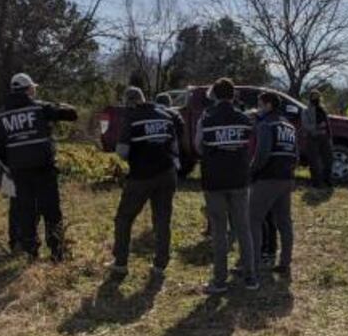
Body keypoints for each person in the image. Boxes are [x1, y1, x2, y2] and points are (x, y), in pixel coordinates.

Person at [0, 73, 78, 262]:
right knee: (51, 210)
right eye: (33, 88)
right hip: (44, 168)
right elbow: (72, 114)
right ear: (28, 89)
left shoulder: (1, 115)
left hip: (19, 171)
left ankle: (31, 252)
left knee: (26, 210)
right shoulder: (39, 107)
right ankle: (57, 252)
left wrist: (12, 164)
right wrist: (57, 106)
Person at [108, 87, 180, 277]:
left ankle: (121, 263)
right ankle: (160, 266)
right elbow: (174, 146)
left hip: (141, 177)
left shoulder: (131, 118)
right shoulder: (165, 115)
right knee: (162, 220)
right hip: (166, 173)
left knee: (124, 218)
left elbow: (122, 151)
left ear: (129, 102)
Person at [197, 77, 258, 294]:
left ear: (214, 94)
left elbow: (199, 147)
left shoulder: (206, 118)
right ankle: (250, 278)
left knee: (220, 231)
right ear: (233, 95)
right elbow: (251, 147)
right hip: (240, 180)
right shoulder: (244, 118)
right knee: (243, 228)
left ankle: (219, 281)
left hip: (214, 181)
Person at [249, 91, 297, 279]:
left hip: (268, 178)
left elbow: (262, 154)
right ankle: (285, 262)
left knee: (253, 219)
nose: (258, 108)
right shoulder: (289, 126)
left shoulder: (266, 124)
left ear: (268, 105)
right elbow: (296, 154)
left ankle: (252, 264)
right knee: (284, 221)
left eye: (260, 104)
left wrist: (251, 172)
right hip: (286, 177)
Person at [301, 90, 334, 188]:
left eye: (317, 96)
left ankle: (327, 181)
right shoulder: (306, 111)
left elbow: (328, 124)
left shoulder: (323, 109)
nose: (316, 98)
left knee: (328, 160)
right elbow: (305, 125)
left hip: (325, 138)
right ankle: (316, 183)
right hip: (312, 138)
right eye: (313, 96)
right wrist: (318, 126)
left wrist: (329, 136)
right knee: (314, 162)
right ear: (310, 98)